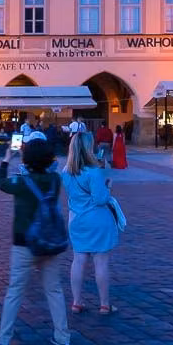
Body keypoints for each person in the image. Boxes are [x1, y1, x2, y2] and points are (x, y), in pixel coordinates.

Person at [0, 140, 70, 345]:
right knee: (54, 289)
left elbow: (0, 182)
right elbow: (50, 172)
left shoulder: (22, 182)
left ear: (27, 159)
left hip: (24, 243)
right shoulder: (55, 179)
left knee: (15, 291)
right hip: (50, 241)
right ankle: (62, 336)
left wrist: (6, 160)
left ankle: (3, 338)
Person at [62, 130, 119, 314]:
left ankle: (77, 302)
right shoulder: (93, 172)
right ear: (89, 148)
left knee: (78, 261)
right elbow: (100, 199)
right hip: (96, 219)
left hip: (77, 220)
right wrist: (108, 187)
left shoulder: (66, 172)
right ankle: (104, 304)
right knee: (100, 262)